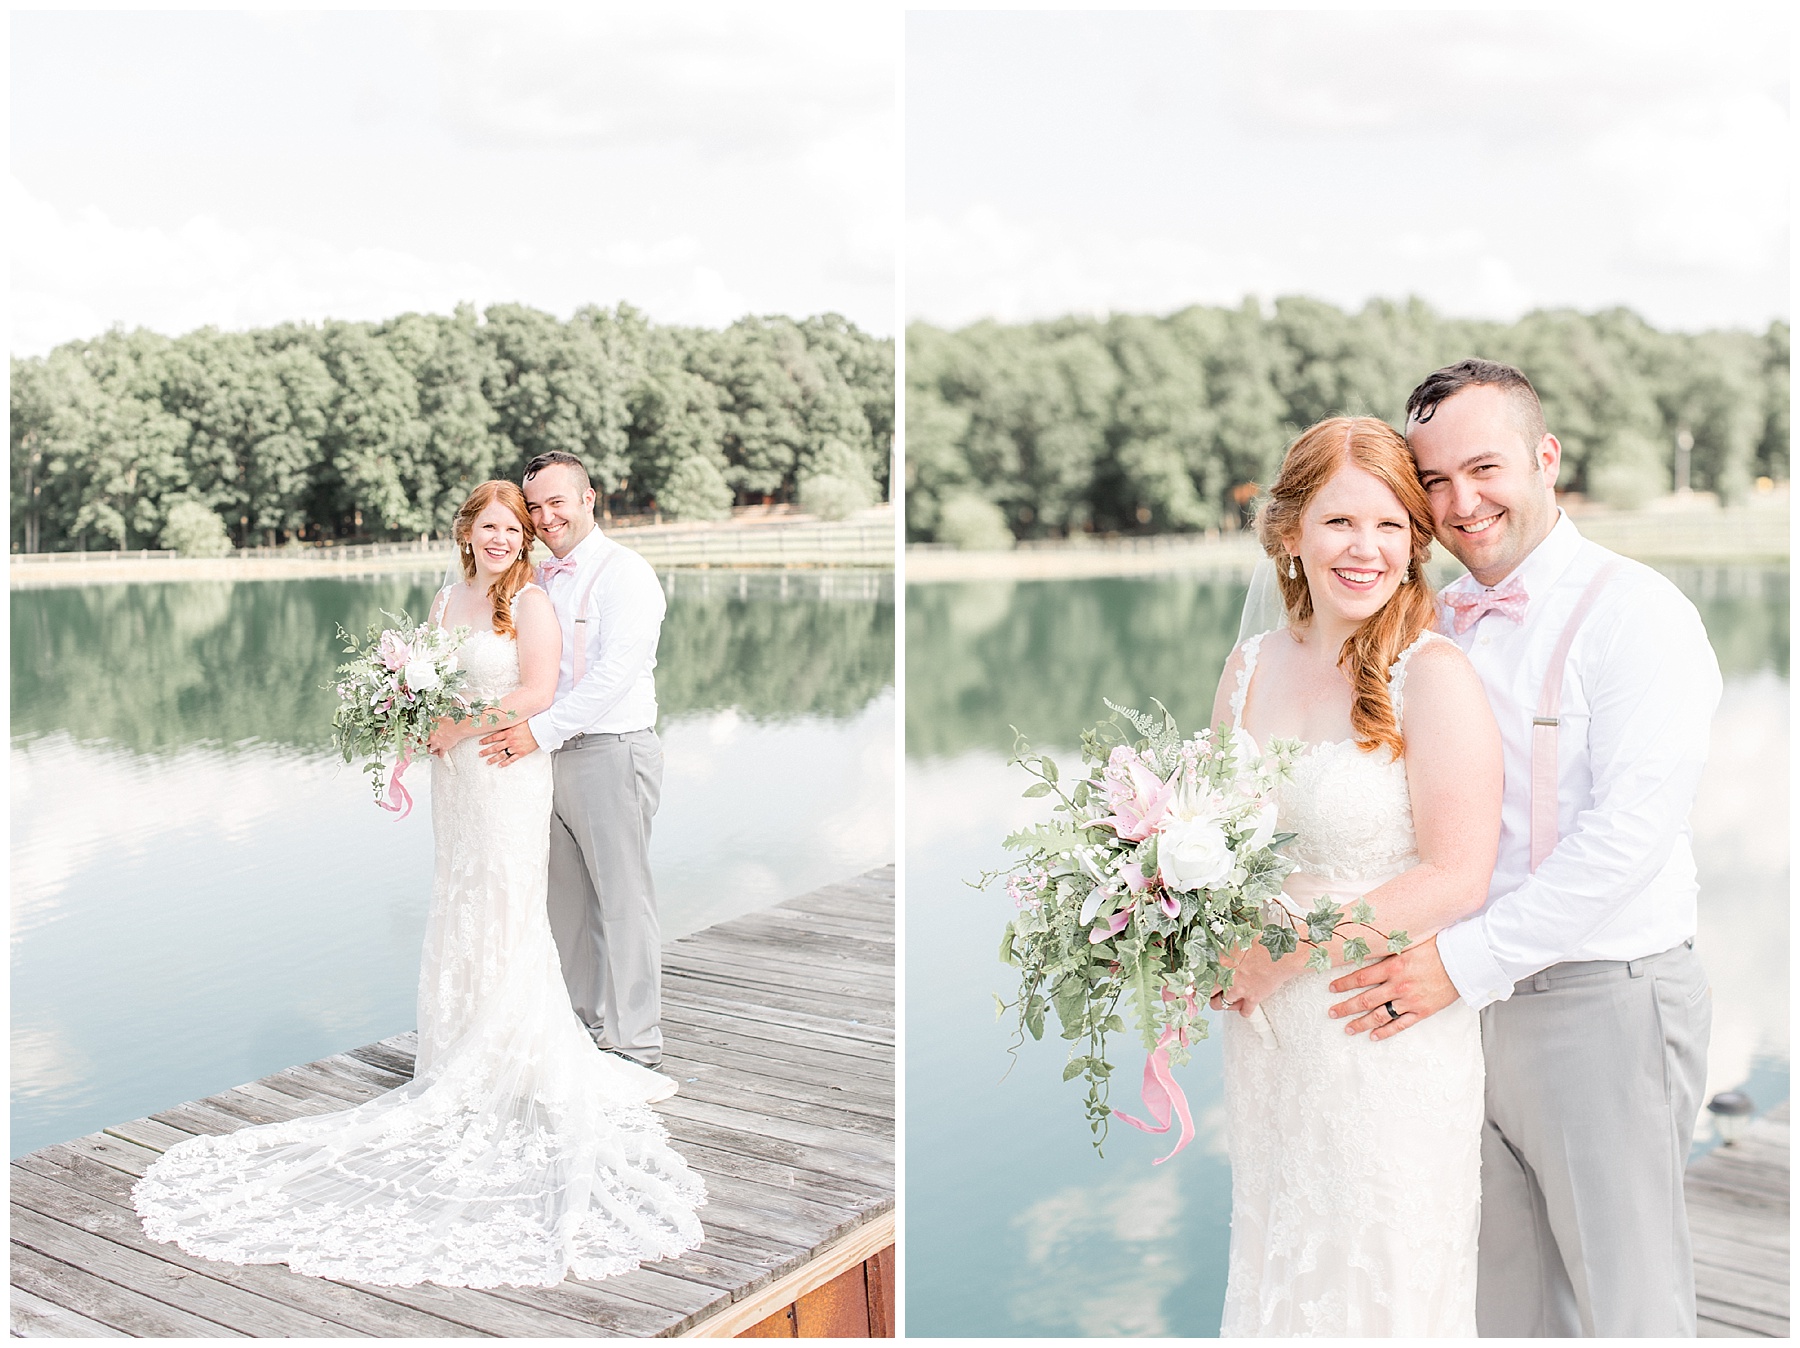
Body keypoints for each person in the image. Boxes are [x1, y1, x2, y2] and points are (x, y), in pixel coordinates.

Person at [132, 480, 705, 1288]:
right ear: (466, 532)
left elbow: (539, 692)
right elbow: (425, 682)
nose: (505, 537)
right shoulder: (446, 599)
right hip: (458, 780)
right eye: (491, 525)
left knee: (512, 898)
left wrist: (458, 727)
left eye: (516, 525)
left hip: (507, 765)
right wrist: (405, 721)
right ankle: (459, 1042)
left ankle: (539, 1042)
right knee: (462, 896)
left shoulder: (533, 603)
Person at [1329, 360, 1722, 1337]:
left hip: (1600, 1000)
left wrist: (1458, 964)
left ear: (1546, 458)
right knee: (1505, 1310)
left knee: (1630, 1307)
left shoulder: (1640, 614)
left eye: (1485, 467)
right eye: (1434, 479)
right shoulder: (1430, 627)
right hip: (1454, 1012)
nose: (1461, 502)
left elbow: (1628, 837)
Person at [1209, 416, 1503, 1337]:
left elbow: (1459, 875)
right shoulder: (1248, 667)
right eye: (1339, 523)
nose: (1365, 549)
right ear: (1290, 531)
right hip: (1271, 1043)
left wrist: (1282, 953)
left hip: (1380, 1028)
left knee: (1379, 1282)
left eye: (1390, 526)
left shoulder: (1435, 674)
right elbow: (1211, 841)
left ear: (1416, 541)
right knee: (1279, 1263)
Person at [476, 451, 670, 1069]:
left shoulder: (625, 574)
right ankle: (580, 1031)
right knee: (566, 903)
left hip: (610, 750)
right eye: (533, 507)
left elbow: (613, 676)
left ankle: (637, 1043)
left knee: (623, 899)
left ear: (590, 498)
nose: (544, 516)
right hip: (544, 757)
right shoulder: (534, 581)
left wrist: (539, 731)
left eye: (556, 502)